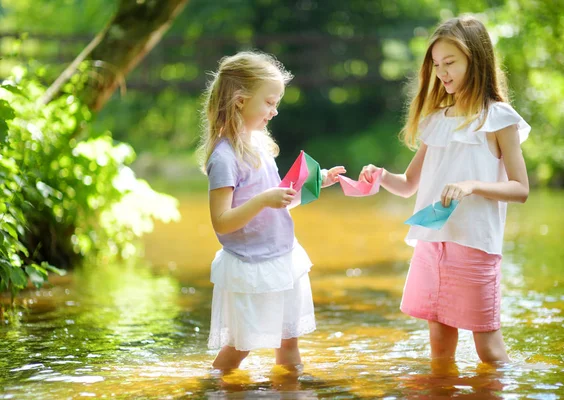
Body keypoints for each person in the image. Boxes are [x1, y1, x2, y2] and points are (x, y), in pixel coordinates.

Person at [360, 16, 530, 363]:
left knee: (489, 351)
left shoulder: (499, 118)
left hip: (475, 244)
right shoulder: (436, 120)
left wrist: (472, 186)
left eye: (450, 63)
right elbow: (408, 185)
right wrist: (380, 176)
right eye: (437, 65)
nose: (443, 73)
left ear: (476, 60)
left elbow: (521, 188)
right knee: (438, 346)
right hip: (432, 244)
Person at [198, 51, 345, 371]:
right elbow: (221, 223)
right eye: (269, 102)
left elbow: (280, 199)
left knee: (289, 341)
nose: (275, 110)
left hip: (282, 258)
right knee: (241, 347)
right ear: (239, 101)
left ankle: (292, 391)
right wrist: (263, 199)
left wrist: (317, 182)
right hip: (251, 266)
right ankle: (211, 389)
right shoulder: (224, 158)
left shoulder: (260, 145)